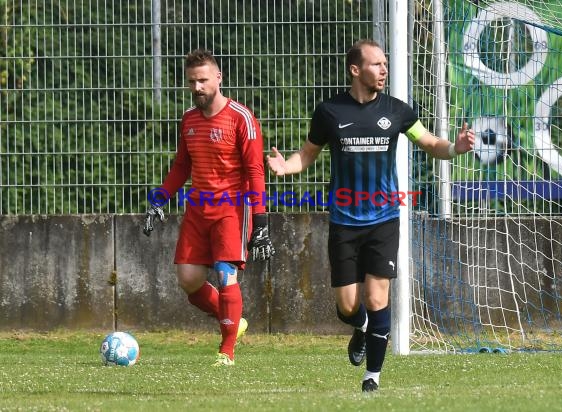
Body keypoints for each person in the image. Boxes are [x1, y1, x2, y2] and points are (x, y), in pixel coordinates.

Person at [266, 39, 474, 392]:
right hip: (344, 222)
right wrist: (287, 167)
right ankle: (359, 328)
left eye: (385, 64)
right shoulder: (330, 112)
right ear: (355, 70)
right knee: (348, 306)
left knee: (378, 299)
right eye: (376, 64)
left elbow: (428, 143)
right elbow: (308, 152)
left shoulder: (396, 111)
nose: (383, 70)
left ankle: (372, 378)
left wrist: (455, 147)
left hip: (384, 219)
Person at [143, 48, 275, 367]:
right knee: (188, 279)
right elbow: (181, 166)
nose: (197, 87)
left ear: (218, 78)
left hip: (231, 208)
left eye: (203, 80)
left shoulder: (241, 118)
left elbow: (256, 171)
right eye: (192, 82)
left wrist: (259, 220)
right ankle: (233, 320)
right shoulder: (188, 119)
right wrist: (159, 198)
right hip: (198, 208)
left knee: (225, 275)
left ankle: (226, 351)